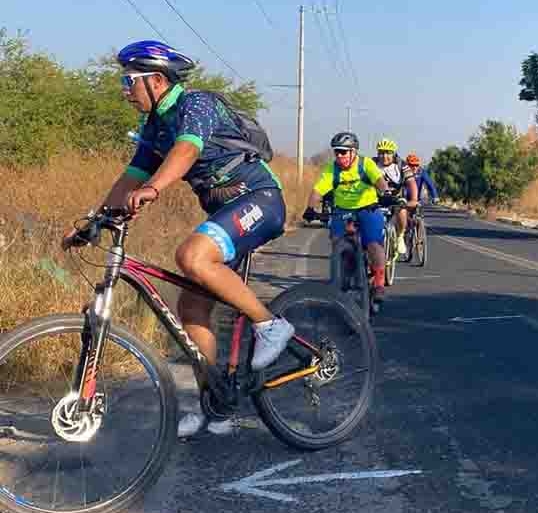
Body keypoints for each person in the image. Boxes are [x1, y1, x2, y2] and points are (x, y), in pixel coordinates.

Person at [63, 40, 293, 439]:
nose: (124, 89)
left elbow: (186, 151)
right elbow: (131, 177)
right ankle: (215, 405)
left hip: (260, 200)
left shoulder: (196, 105)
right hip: (226, 213)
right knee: (190, 307)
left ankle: (270, 325)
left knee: (192, 256)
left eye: (129, 80)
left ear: (156, 80)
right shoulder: (156, 126)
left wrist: (154, 188)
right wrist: (95, 220)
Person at [303, 132, 391, 308]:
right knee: (337, 241)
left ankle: (379, 282)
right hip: (341, 210)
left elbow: (379, 181)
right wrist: (310, 208)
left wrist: (386, 193)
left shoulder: (365, 164)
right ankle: (342, 276)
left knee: (373, 243)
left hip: (368, 207)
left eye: (344, 152)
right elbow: (318, 191)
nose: (340, 156)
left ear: (354, 152)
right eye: (337, 152)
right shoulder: (331, 169)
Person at [373, 137, 418, 256]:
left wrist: (413, 200)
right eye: (381, 153)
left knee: (402, 209)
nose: (384, 156)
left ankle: (400, 236)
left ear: (393, 153)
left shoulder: (402, 166)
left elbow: (412, 183)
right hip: (375, 198)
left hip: (395, 198)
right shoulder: (371, 164)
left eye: (388, 153)